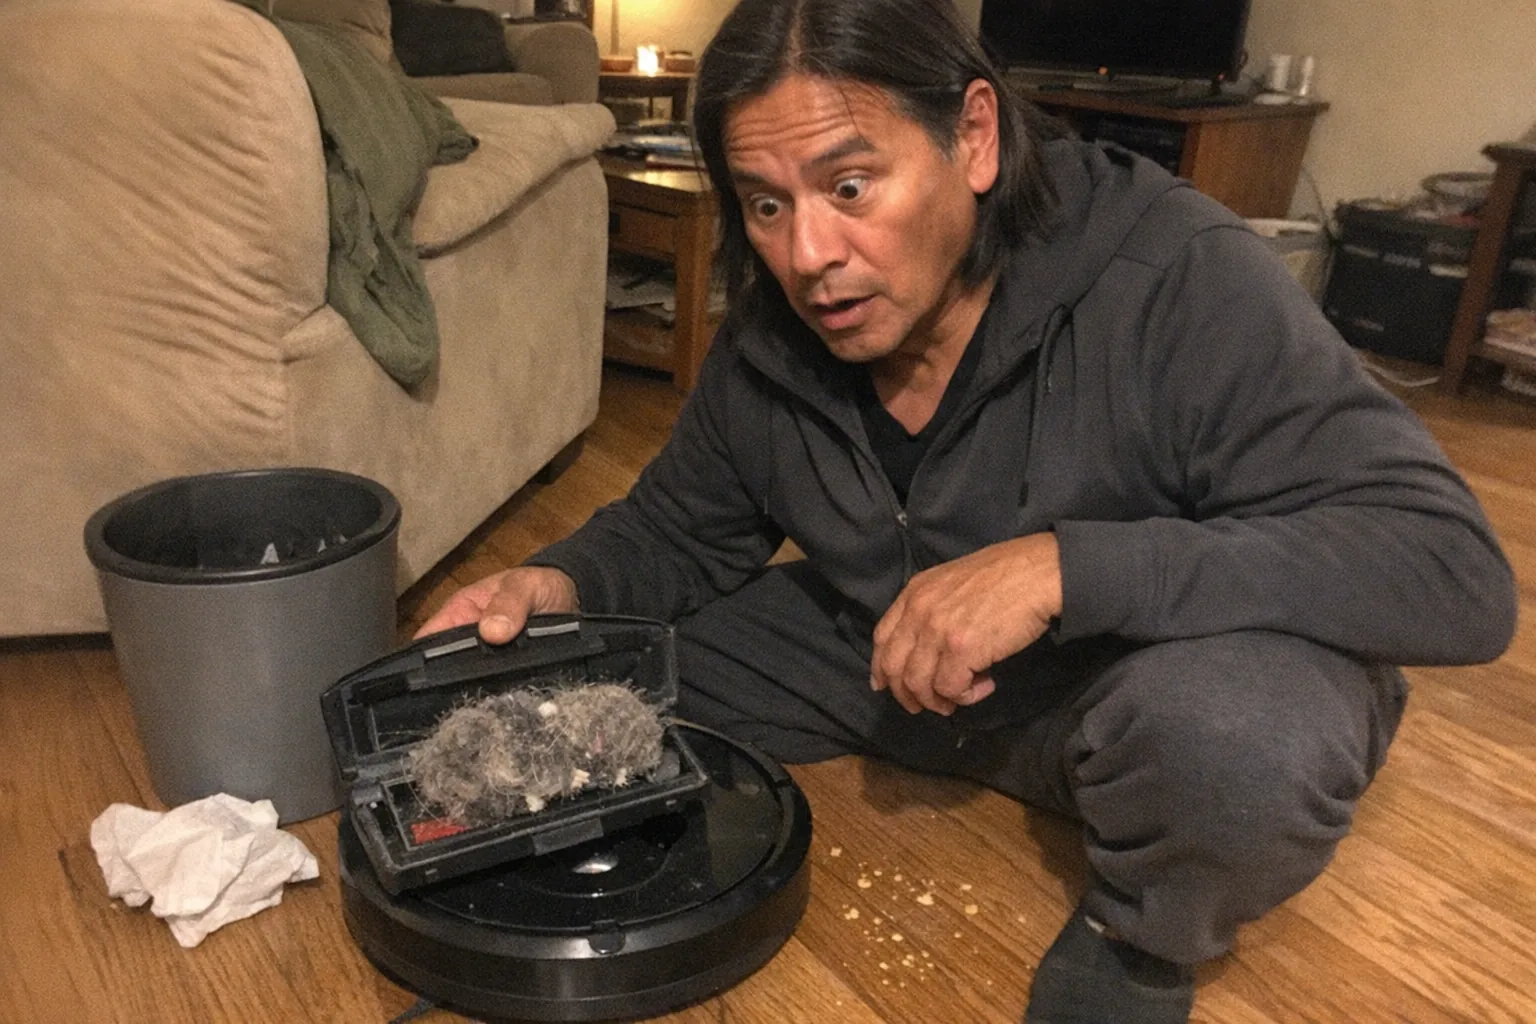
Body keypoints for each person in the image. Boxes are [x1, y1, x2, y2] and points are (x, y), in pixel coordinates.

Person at [417, 0, 1517, 1019]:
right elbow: (679, 527)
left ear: (975, 136)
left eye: (850, 186)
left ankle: (1140, 932)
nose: (808, 256)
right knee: (607, 661)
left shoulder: (1179, 274)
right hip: (897, 654)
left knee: (1233, 745)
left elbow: (1454, 574)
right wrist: (551, 582)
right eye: (766, 203)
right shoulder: (773, 329)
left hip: (1138, 668)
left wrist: (1062, 568)